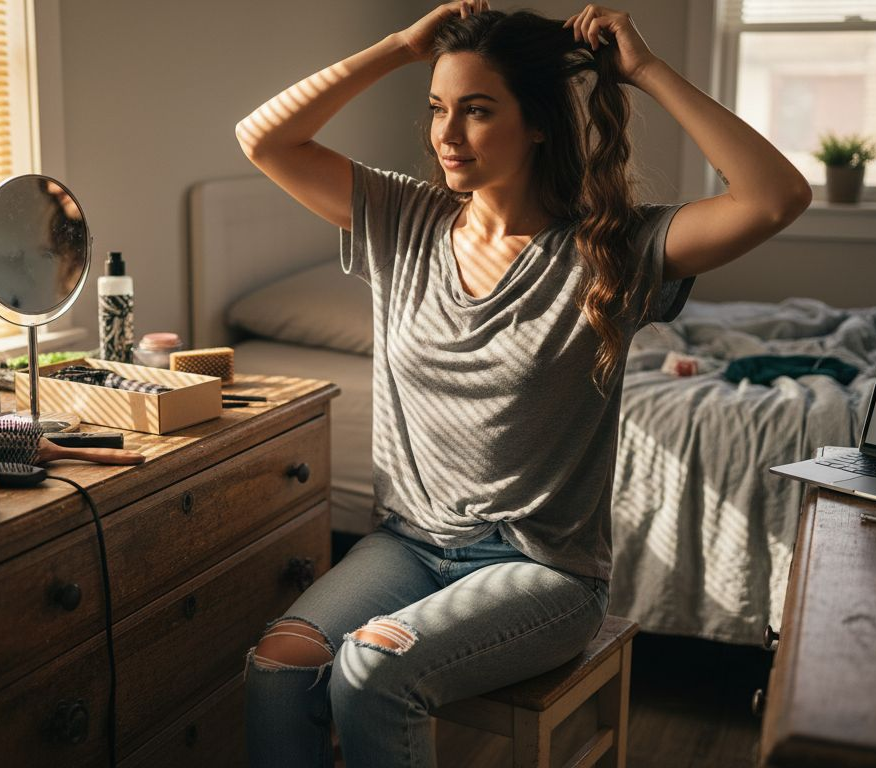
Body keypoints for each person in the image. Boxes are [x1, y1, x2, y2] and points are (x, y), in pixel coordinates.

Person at [234, 3, 809, 766]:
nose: (446, 133)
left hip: (539, 569)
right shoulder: (402, 219)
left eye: (476, 110)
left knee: (371, 673)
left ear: (537, 122)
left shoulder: (615, 248)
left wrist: (644, 70)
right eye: (437, 108)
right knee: (278, 670)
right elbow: (262, 139)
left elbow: (776, 196)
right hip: (407, 545)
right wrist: (402, 47)